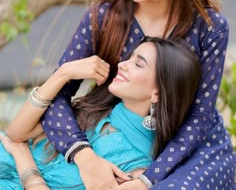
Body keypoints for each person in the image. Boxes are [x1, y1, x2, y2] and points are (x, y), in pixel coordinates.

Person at [6, 0, 236, 190]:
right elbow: (57, 97)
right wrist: (83, 154)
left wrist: (146, 180)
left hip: (190, 149)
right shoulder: (104, 17)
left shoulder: (209, 26)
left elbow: (199, 117)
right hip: (114, 139)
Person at [1, 38, 201, 189]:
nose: (123, 64)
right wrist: (64, 73)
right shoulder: (99, 107)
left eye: (138, 64)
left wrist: (21, 155)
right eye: (130, 58)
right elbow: (16, 133)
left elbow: (17, 144)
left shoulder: (135, 167)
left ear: (158, 92)